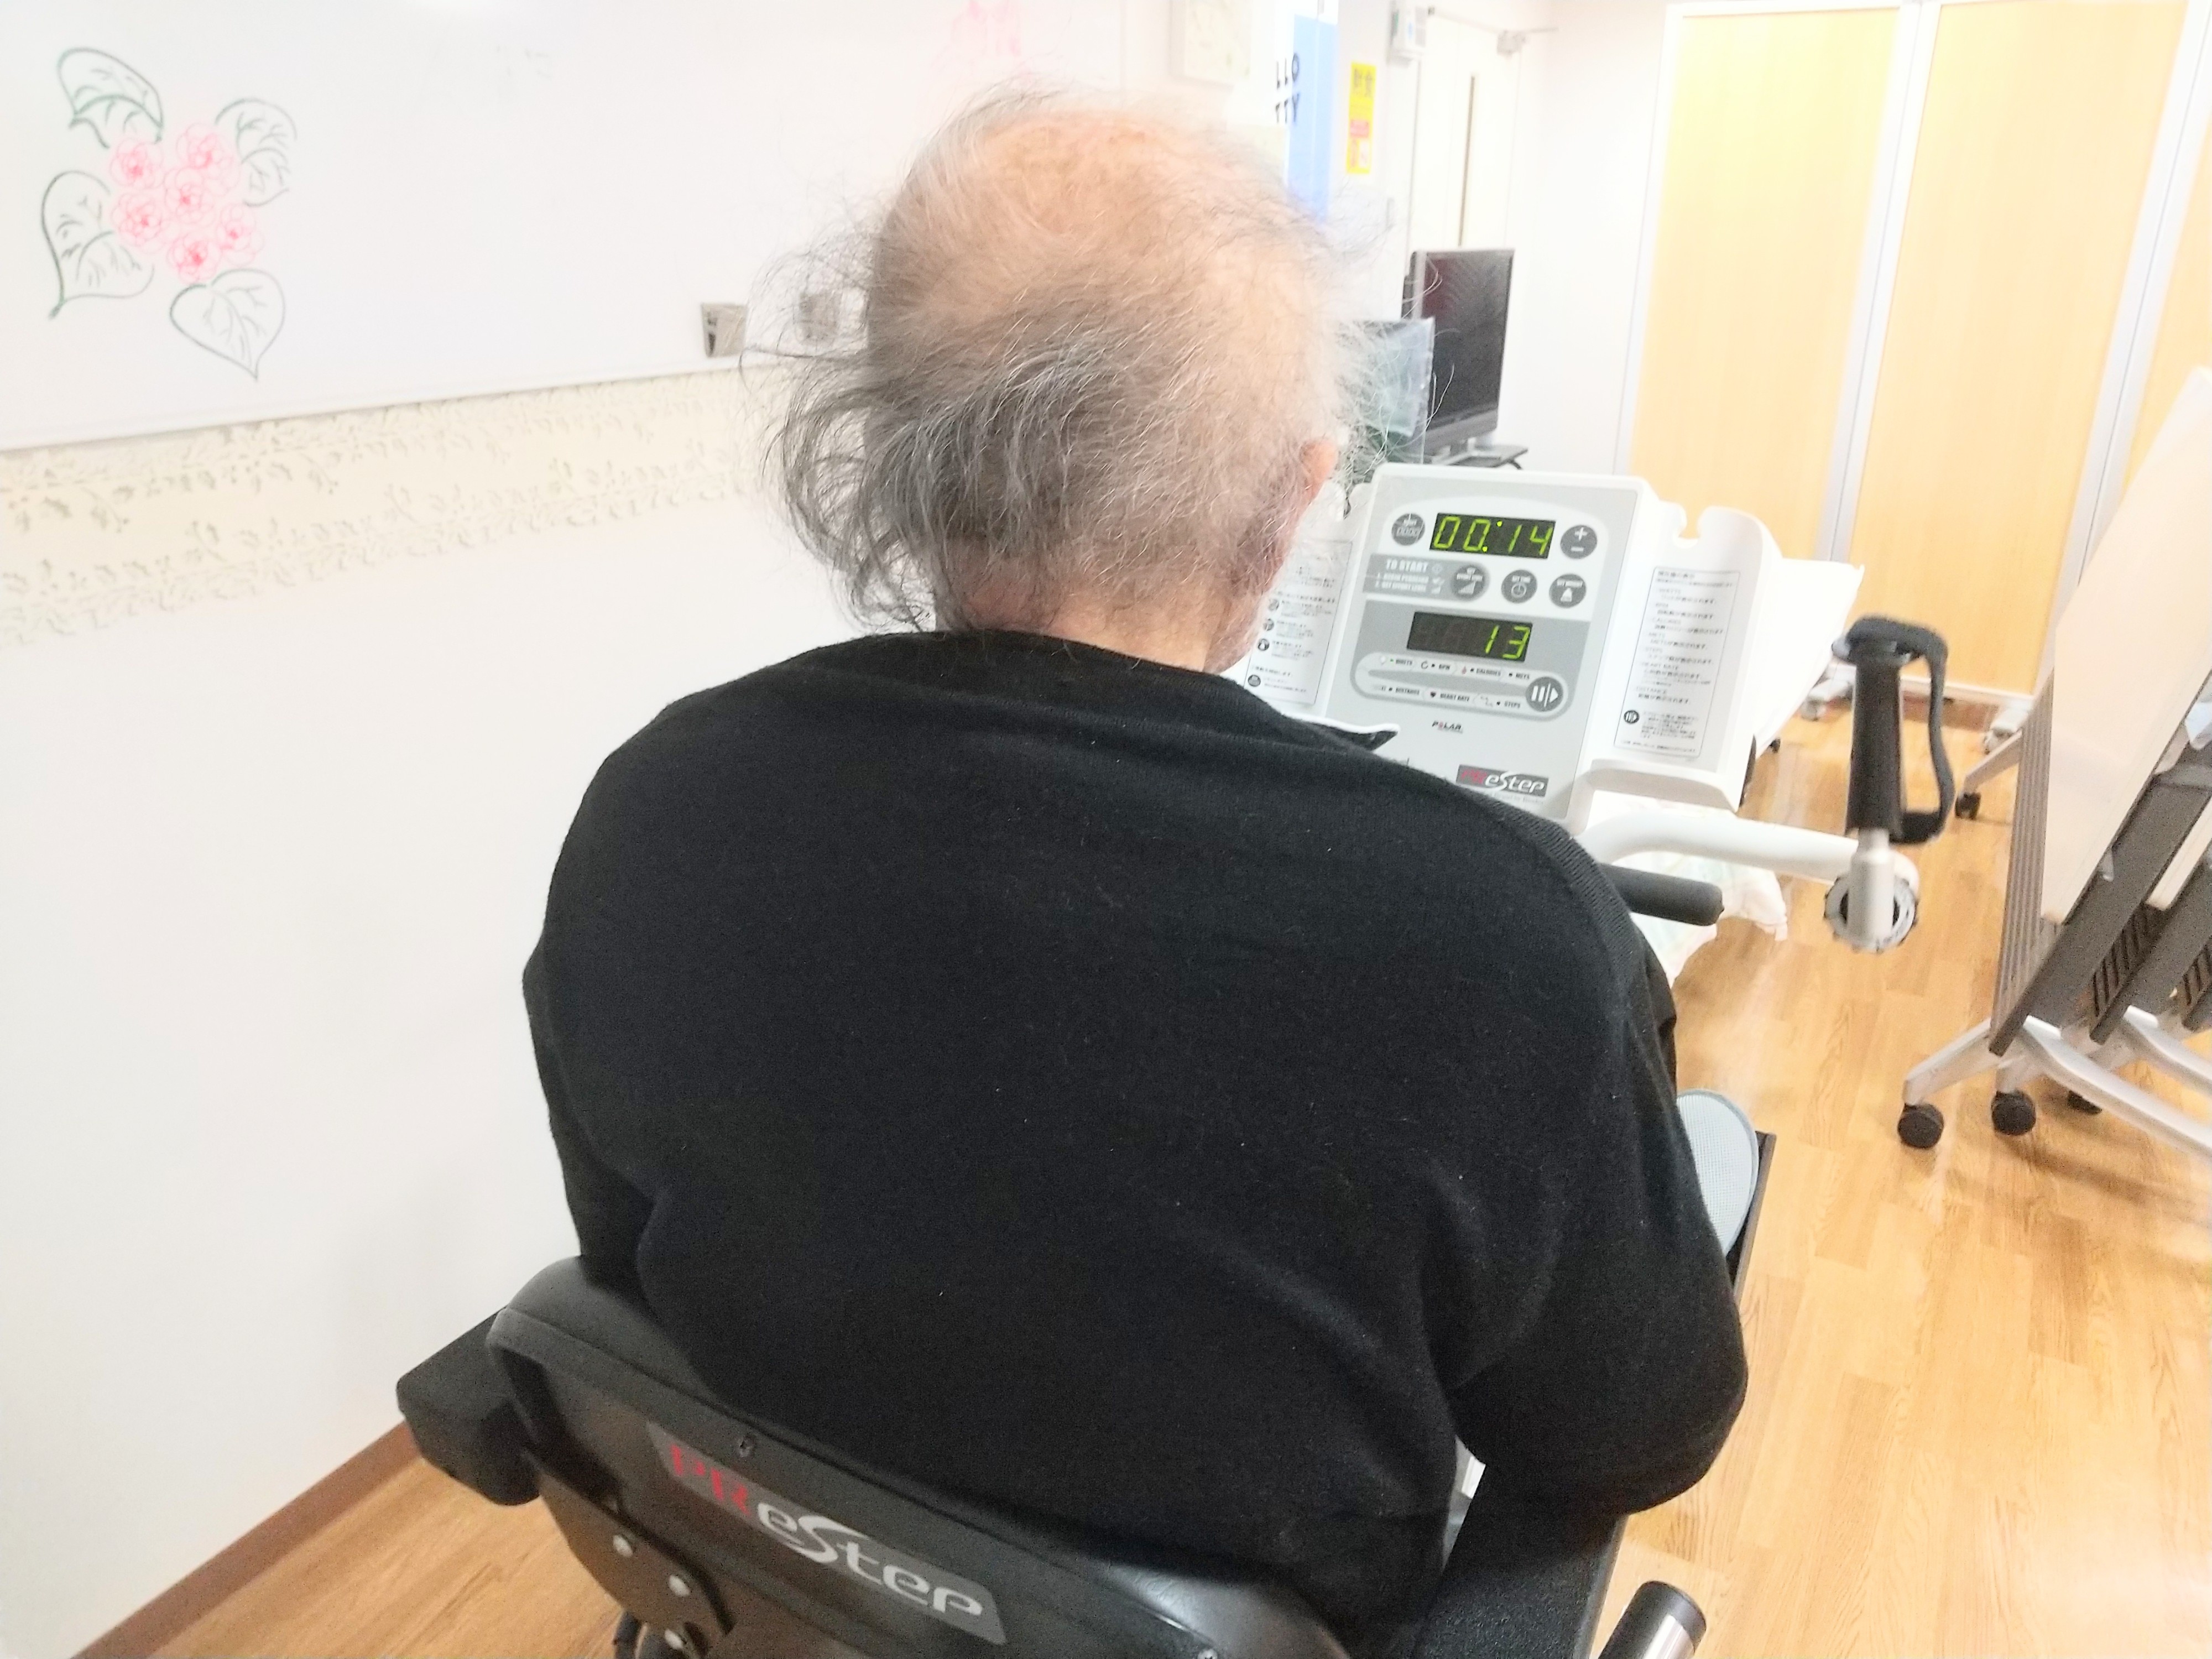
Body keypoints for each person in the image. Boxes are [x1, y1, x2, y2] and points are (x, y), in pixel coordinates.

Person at [523, 92, 1745, 1659]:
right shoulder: (1501, 936)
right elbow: (1633, 1435)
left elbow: (632, 1259)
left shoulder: (657, 808)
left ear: (894, 459)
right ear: (1294, 502)